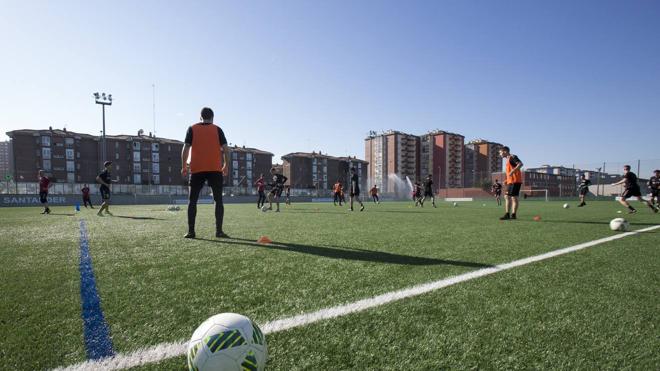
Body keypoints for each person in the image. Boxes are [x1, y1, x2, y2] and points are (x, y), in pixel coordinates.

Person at [181, 107, 230, 238]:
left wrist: (184, 166)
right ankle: (219, 231)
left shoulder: (192, 128)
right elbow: (226, 149)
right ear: (213, 118)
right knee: (218, 200)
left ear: (200, 117)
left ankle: (191, 231)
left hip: (197, 169)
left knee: (192, 201)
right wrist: (226, 165)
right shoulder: (217, 129)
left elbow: (185, 148)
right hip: (215, 169)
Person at [499, 146, 523, 220]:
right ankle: (513, 215)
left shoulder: (512, 157)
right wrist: (506, 180)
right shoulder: (508, 159)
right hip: (512, 181)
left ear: (505, 151)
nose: (500, 154)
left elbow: (520, 164)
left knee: (507, 197)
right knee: (513, 198)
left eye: (500, 152)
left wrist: (512, 171)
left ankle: (507, 215)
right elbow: (509, 172)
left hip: (514, 181)